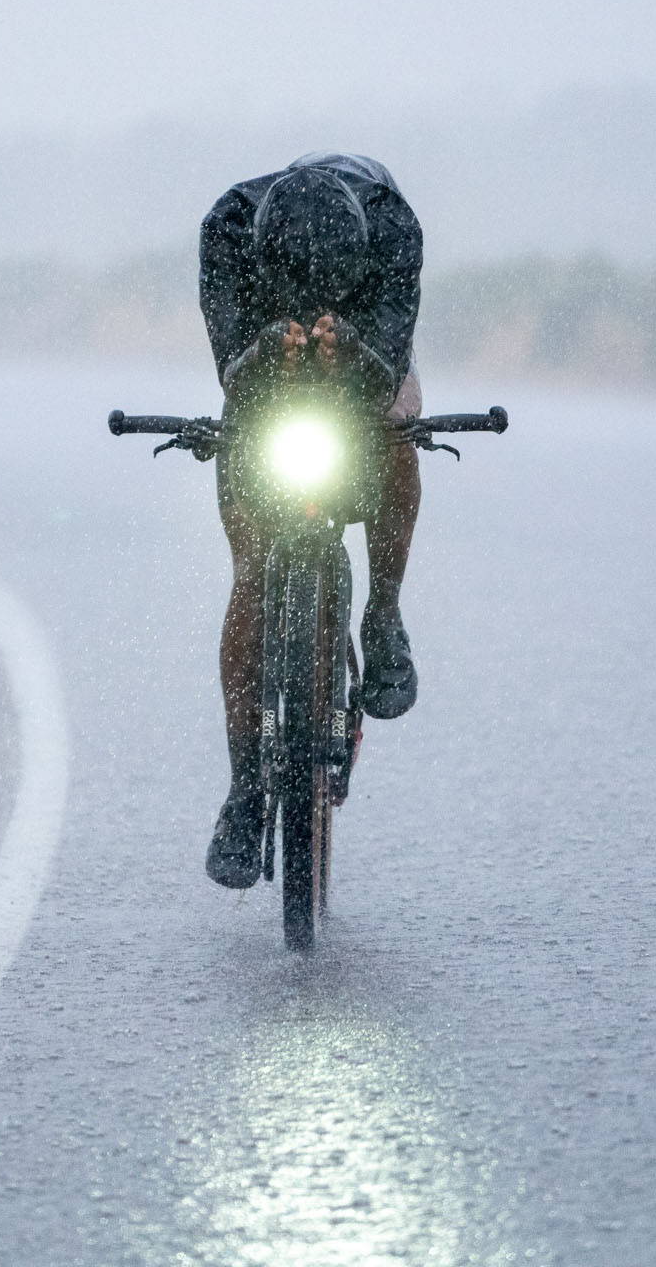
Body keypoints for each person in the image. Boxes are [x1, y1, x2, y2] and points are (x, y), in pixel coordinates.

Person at [196, 152, 423, 889]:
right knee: (253, 571)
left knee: (395, 427)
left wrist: (353, 352)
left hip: (364, 347)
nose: (309, 298)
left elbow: (387, 370)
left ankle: (383, 615)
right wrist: (262, 353)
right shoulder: (228, 231)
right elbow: (232, 370)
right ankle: (242, 792)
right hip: (265, 354)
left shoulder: (392, 229)